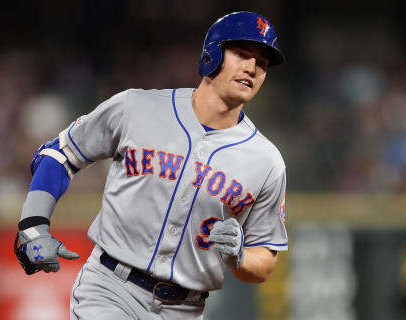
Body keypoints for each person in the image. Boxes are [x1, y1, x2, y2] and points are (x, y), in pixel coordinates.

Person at [15, 11, 288, 320]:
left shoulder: (266, 161)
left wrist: (241, 256)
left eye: (262, 63)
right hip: (111, 289)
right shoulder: (137, 107)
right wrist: (33, 223)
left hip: (186, 309)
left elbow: (265, 260)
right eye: (242, 54)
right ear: (211, 54)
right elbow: (60, 154)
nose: (252, 67)